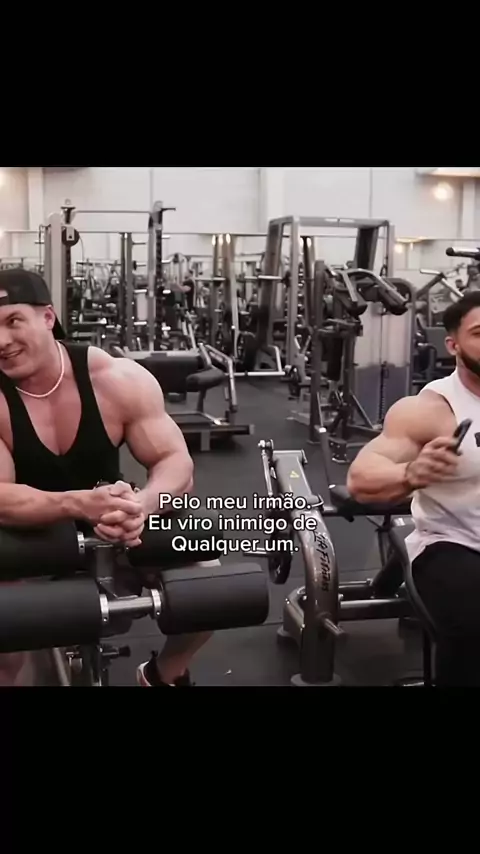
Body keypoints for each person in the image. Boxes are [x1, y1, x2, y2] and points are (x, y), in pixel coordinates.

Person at [0, 267, 209, 688]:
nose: (1, 340)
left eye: (13, 321)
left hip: (115, 525)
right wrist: (79, 503)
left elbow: (175, 462)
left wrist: (142, 505)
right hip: (27, 533)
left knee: (207, 583)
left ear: (48, 317)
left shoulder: (114, 379)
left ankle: (163, 674)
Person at [347, 290, 480, 686]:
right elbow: (361, 478)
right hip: (456, 543)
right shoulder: (431, 409)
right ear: (453, 345)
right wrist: (411, 472)